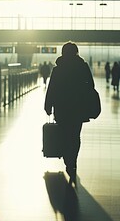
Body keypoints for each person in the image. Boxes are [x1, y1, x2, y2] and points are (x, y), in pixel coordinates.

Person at [44, 41, 95, 182]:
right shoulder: (82, 67)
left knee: (65, 134)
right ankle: (73, 160)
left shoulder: (58, 69)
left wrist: (48, 105)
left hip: (61, 108)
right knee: (75, 135)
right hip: (78, 107)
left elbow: (52, 88)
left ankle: (68, 159)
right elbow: (90, 85)